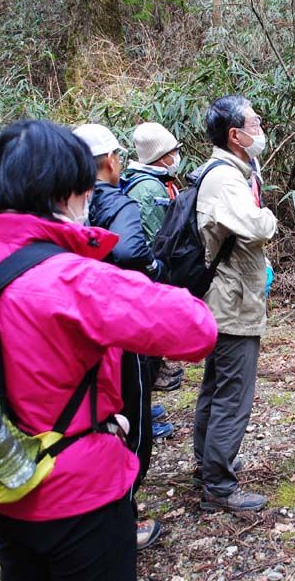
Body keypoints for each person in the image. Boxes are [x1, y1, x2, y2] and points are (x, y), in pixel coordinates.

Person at [0, 119, 217, 581]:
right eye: (86, 190)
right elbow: (195, 328)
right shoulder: (73, 278)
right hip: (78, 494)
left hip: (4, 481)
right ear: (66, 194)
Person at [71, 122, 169, 549]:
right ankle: (122, 519)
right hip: (117, 326)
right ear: (111, 160)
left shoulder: (55, 203)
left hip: (72, 330)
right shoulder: (116, 201)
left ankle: (91, 515)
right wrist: (153, 273)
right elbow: (132, 252)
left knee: (86, 418)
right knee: (133, 419)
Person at [193, 96, 277, 511]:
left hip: (226, 297)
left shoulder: (228, 171)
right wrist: (271, 218)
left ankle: (207, 463)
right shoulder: (225, 179)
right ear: (235, 135)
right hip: (232, 302)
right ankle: (219, 487)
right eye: (255, 122)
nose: (260, 128)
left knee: (217, 386)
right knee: (233, 393)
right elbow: (256, 225)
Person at [120, 122, 186, 392]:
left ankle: (155, 367)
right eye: (174, 151)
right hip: (149, 271)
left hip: (149, 269)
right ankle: (150, 377)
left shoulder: (154, 182)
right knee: (151, 323)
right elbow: (157, 234)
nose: (177, 157)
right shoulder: (148, 188)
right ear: (161, 155)